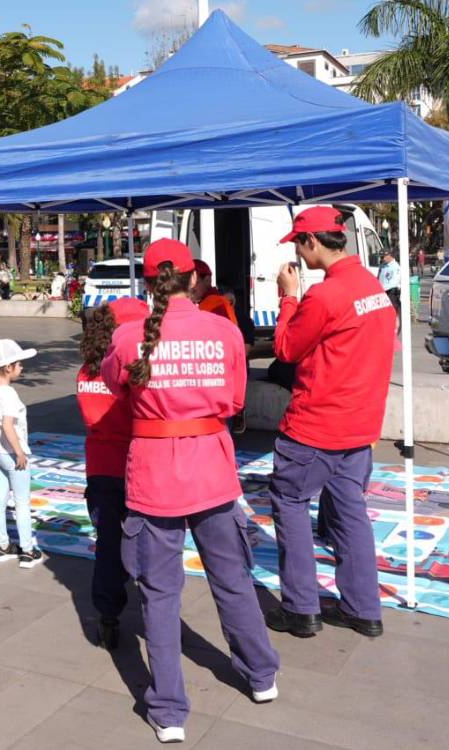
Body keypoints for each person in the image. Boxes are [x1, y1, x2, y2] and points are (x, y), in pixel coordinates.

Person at [101, 239, 278, 743]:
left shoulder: (129, 336)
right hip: (212, 471)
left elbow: (117, 387)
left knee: (159, 595)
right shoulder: (223, 331)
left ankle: (170, 709)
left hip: (154, 476)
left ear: (147, 280)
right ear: (193, 279)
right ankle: (261, 675)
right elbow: (238, 398)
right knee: (233, 579)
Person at [267, 206, 396, 640]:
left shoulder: (325, 295)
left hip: (316, 425)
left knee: (290, 504)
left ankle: (301, 609)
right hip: (359, 427)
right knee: (350, 514)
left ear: (313, 242)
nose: (298, 257)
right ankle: (364, 609)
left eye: (298, 246)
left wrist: (288, 296)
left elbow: (285, 348)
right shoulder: (372, 286)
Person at [75, 296, 149, 650]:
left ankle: (107, 613)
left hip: (99, 465)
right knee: (146, 540)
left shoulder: (87, 369)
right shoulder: (131, 368)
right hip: (134, 463)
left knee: (107, 541)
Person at [0, 338, 41, 568]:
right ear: (8, 367)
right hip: (13, 455)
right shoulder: (9, 394)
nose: (22, 368)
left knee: (0, 499)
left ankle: (3, 545)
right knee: (22, 502)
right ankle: (27, 550)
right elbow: (7, 426)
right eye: (19, 364)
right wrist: (20, 453)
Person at [191, 260, 238, 327]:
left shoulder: (213, 304)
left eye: (195, 282)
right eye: (186, 283)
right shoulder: (217, 302)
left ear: (207, 280)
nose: (190, 287)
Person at [378, 250, 402, 330]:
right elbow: (379, 278)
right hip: (382, 292)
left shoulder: (396, 267)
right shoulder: (382, 265)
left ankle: (395, 329)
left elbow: (394, 282)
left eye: (383, 257)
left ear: (390, 255)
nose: (382, 259)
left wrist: (382, 289)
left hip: (391, 292)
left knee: (393, 312)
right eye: (381, 257)